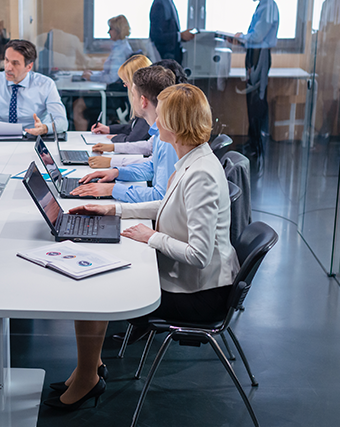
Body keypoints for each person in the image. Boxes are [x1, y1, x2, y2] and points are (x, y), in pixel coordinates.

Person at [45, 84, 239, 411]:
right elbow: (166, 205)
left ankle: (88, 377)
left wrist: (151, 238)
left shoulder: (202, 173)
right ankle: (88, 369)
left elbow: (200, 254)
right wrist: (114, 209)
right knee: (97, 282)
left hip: (200, 297)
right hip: (191, 282)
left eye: (160, 116)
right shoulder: (193, 159)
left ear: (176, 125)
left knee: (95, 290)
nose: (154, 123)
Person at [70, 66, 177, 203]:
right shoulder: (158, 131)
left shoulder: (167, 139)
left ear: (143, 101)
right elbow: (152, 167)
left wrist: (111, 189)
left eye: (133, 94)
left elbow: (161, 196)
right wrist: (116, 172)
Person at [87, 57, 187, 168]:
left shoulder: (168, 134)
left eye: (126, 82)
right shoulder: (164, 128)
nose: (125, 86)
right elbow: (149, 146)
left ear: (143, 99)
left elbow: (152, 165)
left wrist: (112, 161)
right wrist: (113, 147)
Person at [0, 39, 68, 138]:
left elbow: (62, 122)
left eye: (15, 63)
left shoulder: (46, 84)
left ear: (29, 67)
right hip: (1, 140)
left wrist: (45, 128)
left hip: (33, 139)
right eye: (6, 60)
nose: (8, 67)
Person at [235, 0, 279, 167]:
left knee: (257, 99)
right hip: (254, 54)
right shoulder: (262, 5)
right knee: (251, 99)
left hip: (260, 55)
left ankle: (257, 146)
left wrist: (241, 38)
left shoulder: (269, 6)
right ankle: (252, 142)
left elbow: (257, 36)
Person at [73, 15, 135, 130]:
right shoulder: (120, 47)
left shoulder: (120, 52)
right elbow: (109, 73)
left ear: (118, 31)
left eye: (110, 29)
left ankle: (79, 141)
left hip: (113, 96)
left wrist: (91, 78)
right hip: (113, 92)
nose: (108, 32)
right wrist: (93, 75)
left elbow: (111, 77)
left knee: (78, 105)